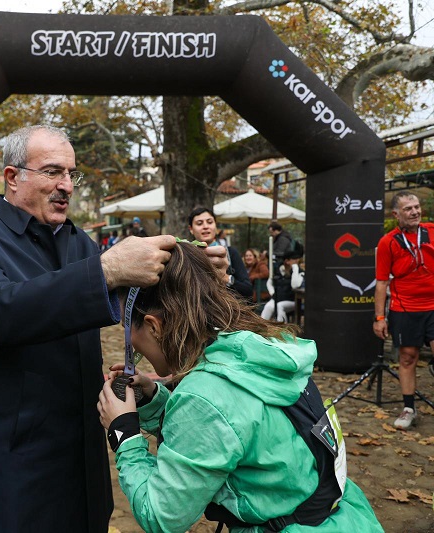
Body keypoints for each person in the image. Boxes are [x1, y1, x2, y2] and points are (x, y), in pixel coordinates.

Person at [0, 124, 229, 532]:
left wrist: (197, 267)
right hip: (18, 458)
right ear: (12, 177)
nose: (66, 186)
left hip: (84, 453)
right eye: (52, 172)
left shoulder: (78, 242)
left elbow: (130, 295)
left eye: (71, 175)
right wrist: (107, 268)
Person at [97, 242, 382, 533]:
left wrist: (124, 432)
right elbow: (229, 429)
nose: (129, 343)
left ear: (154, 326)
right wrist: (154, 400)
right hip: (341, 518)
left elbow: (162, 515)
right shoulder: (250, 346)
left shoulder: (203, 396)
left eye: (126, 328)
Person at [374, 191, 434, 430]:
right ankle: (409, 407)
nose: (415, 212)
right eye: (408, 209)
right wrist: (379, 317)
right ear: (396, 214)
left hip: (433, 305)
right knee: (408, 357)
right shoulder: (388, 242)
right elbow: (381, 282)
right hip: (405, 307)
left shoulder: (431, 230)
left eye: (417, 207)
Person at [187, 206, 253, 299]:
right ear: (191, 229)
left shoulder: (230, 253)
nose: (205, 226)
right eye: (199, 223)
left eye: (210, 222)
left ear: (216, 225)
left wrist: (226, 278)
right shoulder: (186, 255)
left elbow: (247, 290)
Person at [261, 250, 305, 323]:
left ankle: (282, 329)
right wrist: (272, 292)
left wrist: (295, 269)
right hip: (278, 298)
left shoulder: (299, 272)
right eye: (294, 259)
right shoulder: (278, 270)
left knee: (279, 306)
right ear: (287, 261)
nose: (297, 261)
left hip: (292, 301)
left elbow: (295, 285)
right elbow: (269, 283)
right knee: (268, 307)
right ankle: (260, 328)